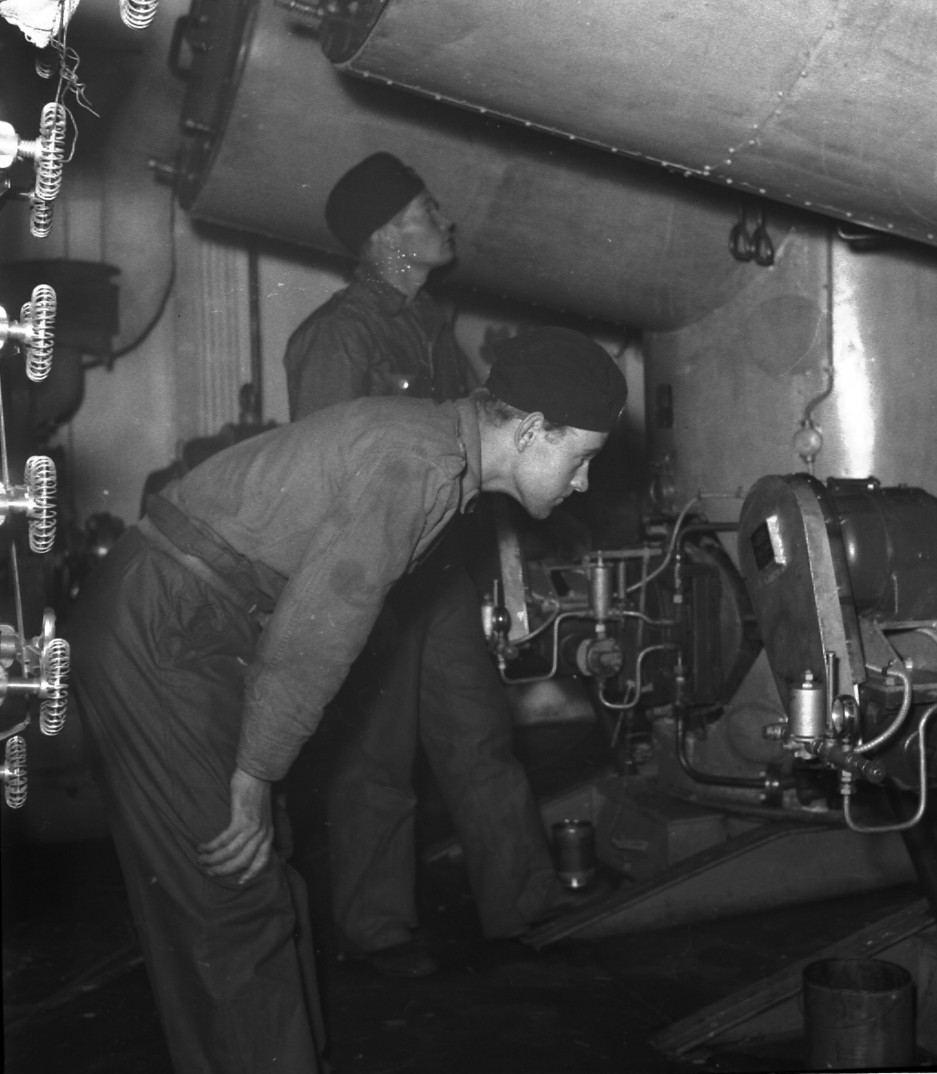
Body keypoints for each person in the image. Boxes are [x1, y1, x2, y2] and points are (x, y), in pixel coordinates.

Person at [70, 328, 627, 1074]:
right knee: (233, 891)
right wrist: (255, 774)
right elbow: (317, 631)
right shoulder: (417, 464)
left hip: (199, 622)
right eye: (581, 458)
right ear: (530, 431)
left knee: (264, 873)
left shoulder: (437, 452)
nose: (583, 483)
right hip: (165, 626)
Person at [283, 153, 589, 977]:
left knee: (479, 738)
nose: (445, 220)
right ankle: (377, 930)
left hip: (439, 577)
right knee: (375, 760)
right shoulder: (338, 337)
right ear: (388, 236)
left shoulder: (430, 327)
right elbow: (328, 475)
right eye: (427, 209)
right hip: (377, 581)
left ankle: (526, 903)